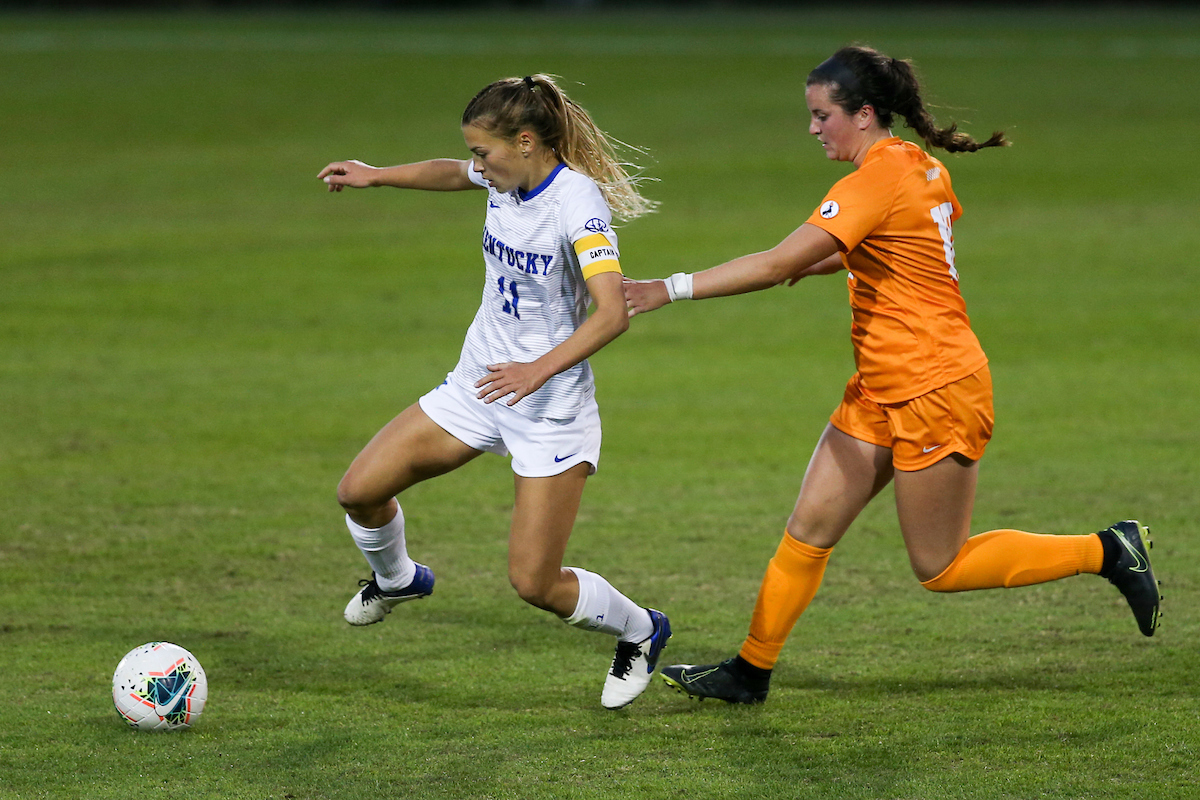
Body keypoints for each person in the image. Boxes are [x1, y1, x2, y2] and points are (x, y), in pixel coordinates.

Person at [623, 45, 1160, 705]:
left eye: (822, 115)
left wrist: (665, 289)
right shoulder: (916, 166)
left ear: (865, 113)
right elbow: (883, 247)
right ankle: (748, 672)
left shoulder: (874, 179)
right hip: (882, 384)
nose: (813, 128)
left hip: (934, 387)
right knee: (808, 528)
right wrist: (812, 261)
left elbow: (776, 262)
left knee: (940, 566)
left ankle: (1107, 550)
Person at [318, 74, 670, 710]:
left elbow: (612, 312)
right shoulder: (505, 175)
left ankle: (642, 630)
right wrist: (377, 174)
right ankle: (397, 580)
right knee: (359, 492)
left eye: (485, 152)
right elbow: (450, 172)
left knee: (534, 582)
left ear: (528, 142)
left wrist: (537, 370)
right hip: (479, 384)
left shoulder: (577, 204)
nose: (477, 164)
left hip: (548, 410)